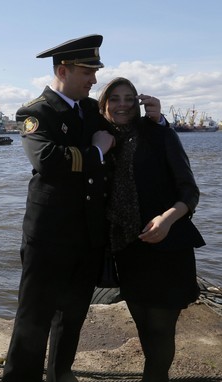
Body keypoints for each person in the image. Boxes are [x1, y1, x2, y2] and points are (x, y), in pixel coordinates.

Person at [2, 34, 115, 382]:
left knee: (73, 314)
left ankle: (60, 374)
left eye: (95, 72)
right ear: (63, 70)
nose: (94, 80)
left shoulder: (89, 110)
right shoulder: (37, 112)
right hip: (49, 237)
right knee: (34, 317)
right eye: (88, 72)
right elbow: (48, 160)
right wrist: (96, 152)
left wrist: (158, 122)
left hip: (87, 233)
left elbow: (120, 135)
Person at [99, 77, 205, 382]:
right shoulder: (103, 141)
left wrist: (167, 219)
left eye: (129, 98)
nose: (122, 105)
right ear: (104, 104)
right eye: (115, 98)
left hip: (167, 247)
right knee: (144, 328)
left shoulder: (160, 136)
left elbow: (189, 191)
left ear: (138, 102)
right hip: (129, 249)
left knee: (161, 330)